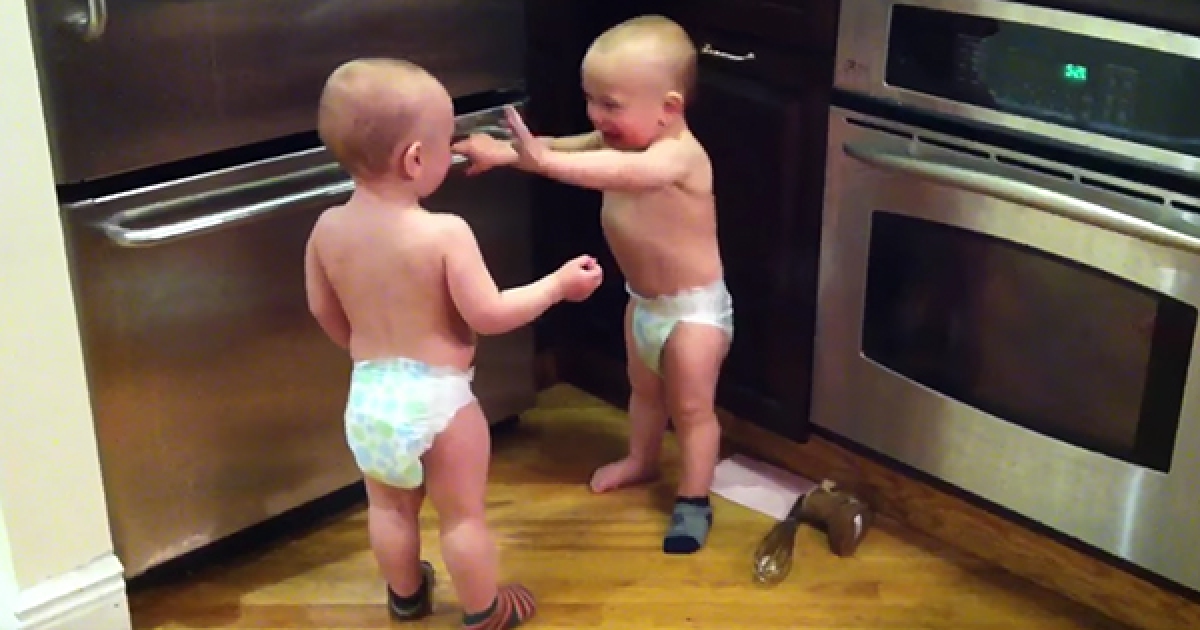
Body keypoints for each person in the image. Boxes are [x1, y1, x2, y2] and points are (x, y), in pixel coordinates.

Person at [305, 58, 603, 628]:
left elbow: (324, 310)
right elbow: (490, 314)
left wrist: (366, 352)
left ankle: (406, 596)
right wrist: (556, 287)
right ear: (415, 159)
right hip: (438, 400)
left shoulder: (326, 229)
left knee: (389, 510)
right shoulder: (444, 233)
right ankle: (485, 610)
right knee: (462, 517)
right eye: (446, 143)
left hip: (370, 396)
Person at [453, 15, 731, 555]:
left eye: (611, 104)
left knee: (692, 409)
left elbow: (619, 174)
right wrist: (504, 153)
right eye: (590, 100)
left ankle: (694, 498)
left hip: (694, 312)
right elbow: (565, 149)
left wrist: (544, 162)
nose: (596, 116)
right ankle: (642, 459)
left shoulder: (678, 156)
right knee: (644, 394)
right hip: (644, 303)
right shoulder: (612, 141)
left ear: (669, 108)